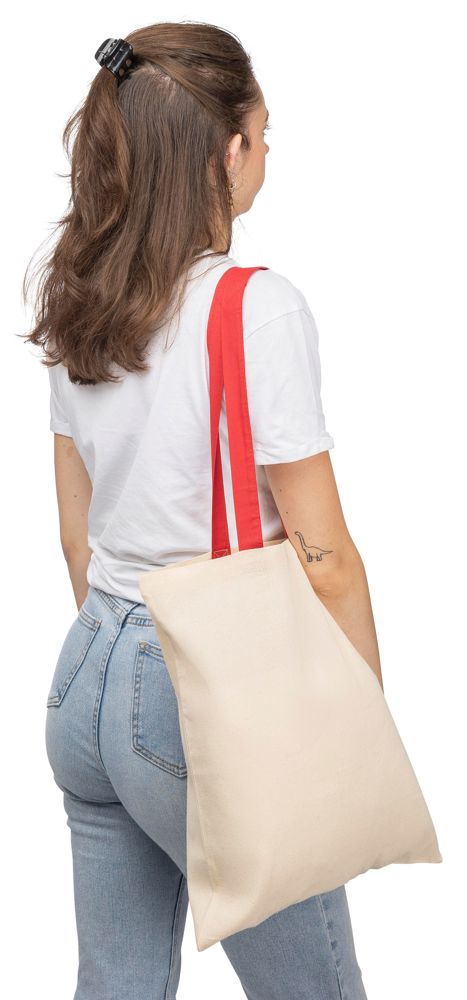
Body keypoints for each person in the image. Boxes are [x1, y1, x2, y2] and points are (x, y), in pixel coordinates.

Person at [23, 20, 379, 1000]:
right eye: (262, 135)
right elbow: (325, 558)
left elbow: (76, 530)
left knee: (118, 984)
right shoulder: (256, 307)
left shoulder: (81, 296)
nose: (265, 155)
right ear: (227, 151)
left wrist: (128, 655)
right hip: (201, 694)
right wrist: (353, 729)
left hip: (88, 676)